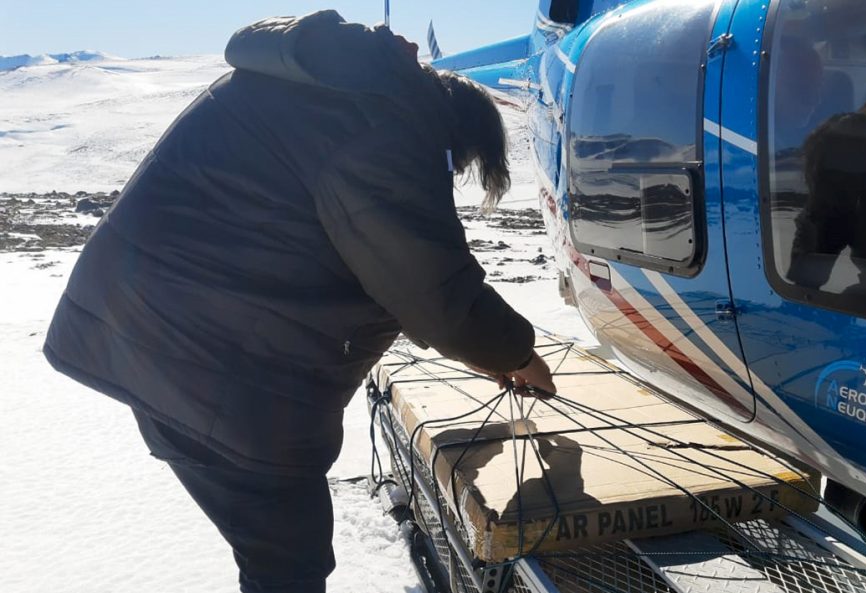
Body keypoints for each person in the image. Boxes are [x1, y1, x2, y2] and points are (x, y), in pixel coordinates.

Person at [43, 11, 556, 593]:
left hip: (160, 340)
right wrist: (516, 354)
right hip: (214, 370)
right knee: (288, 563)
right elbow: (431, 288)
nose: (452, 172)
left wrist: (485, 349)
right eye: (459, 163)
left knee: (281, 555)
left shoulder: (328, 93)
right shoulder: (385, 128)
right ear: (457, 133)